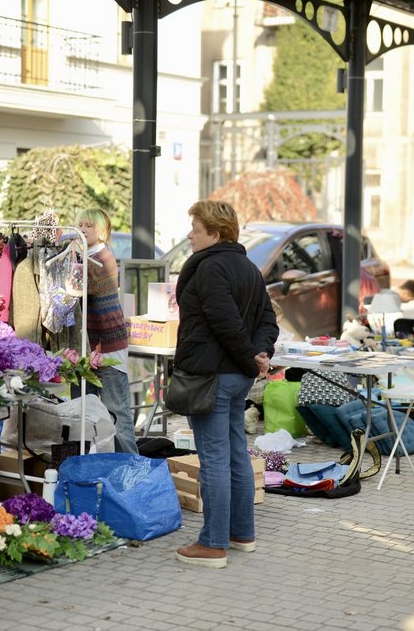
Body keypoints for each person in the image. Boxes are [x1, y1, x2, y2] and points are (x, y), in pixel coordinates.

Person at [173, 200, 279, 568]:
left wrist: (254, 353)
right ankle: (241, 534)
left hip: (213, 376)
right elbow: (268, 319)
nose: (190, 235)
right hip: (237, 377)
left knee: (215, 458)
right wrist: (260, 353)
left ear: (215, 234)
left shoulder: (210, 267)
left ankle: (213, 543)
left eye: (196, 230)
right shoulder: (248, 267)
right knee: (236, 455)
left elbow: (225, 322)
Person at [72, 208, 136, 455]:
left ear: (102, 232)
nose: (84, 229)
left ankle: (132, 467)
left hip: (108, 345)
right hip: (87, 347)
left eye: (90, 225)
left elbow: (80, 288)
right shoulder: (84, 256)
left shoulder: (101, 258)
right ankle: (92, 463)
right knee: (84, 410)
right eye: (81, 224)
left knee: (116, 412)